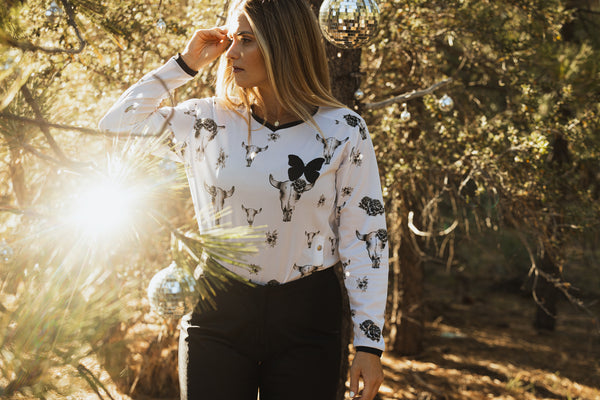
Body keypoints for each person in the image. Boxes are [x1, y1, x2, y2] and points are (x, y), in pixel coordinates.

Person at [99, 0, 388, 399]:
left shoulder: (342, 129)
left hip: (307, 317)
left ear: (283, 45)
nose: (231, 53)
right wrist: (184, 64)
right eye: (232, 39)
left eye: (247, 41)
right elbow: (116, 125)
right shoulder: (207, 122)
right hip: (218, 312)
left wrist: (369, 345)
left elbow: (366, 239)